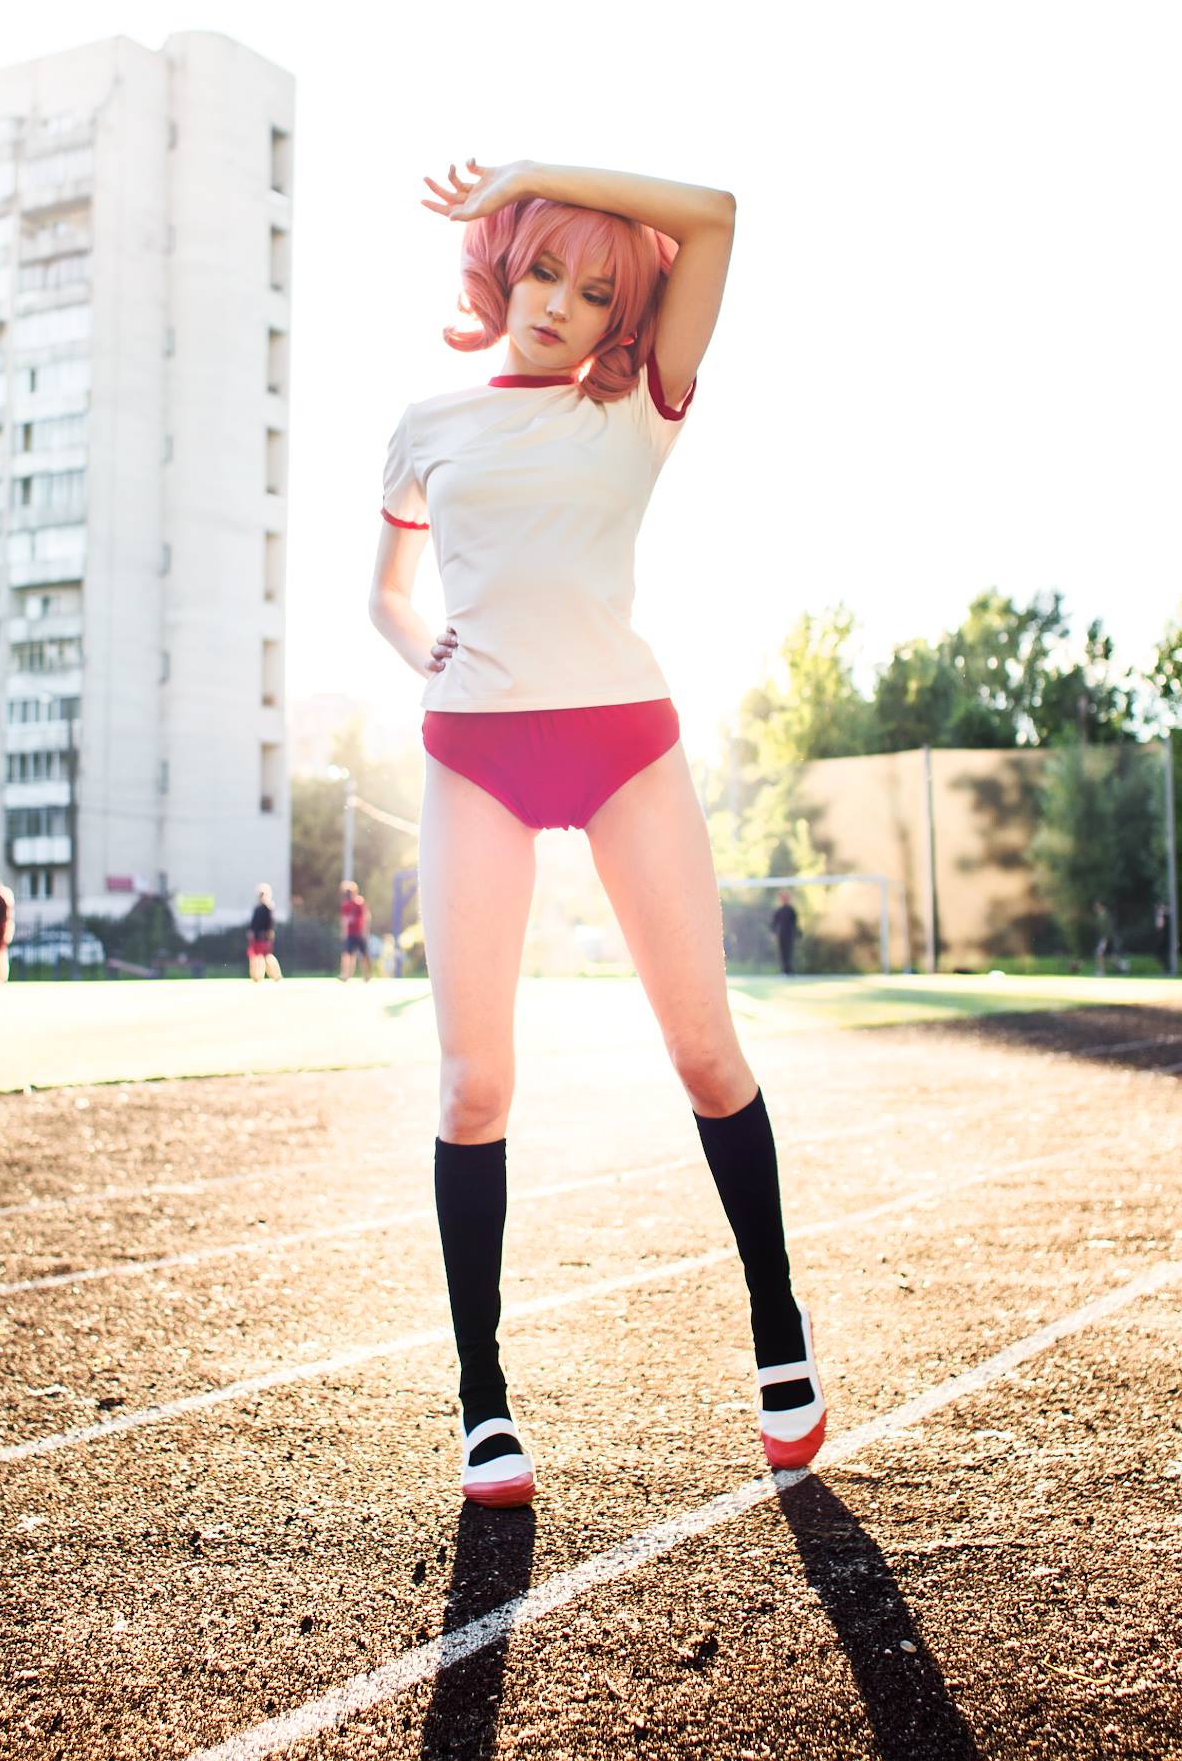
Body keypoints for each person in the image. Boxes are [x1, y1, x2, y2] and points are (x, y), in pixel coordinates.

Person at [369, 158, 826, 1508]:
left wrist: (532, 173)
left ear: (620, 316)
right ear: (502, 268)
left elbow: (717, 217)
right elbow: (386, 592)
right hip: (475, 753)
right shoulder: (428, 422)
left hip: (627, 745)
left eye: (592, 290)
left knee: (705, 1054)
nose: (557, 303)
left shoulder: (636, 406)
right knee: (473, 1086)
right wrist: (416, 646)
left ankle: (778, 1323)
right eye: (541, 267)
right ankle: (483, 1400)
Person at [247, 883, 283, 983]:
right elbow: (253, 923)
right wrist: (251, 932)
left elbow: (270, 923)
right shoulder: (257, 909)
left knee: (267, 957)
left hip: (264, 937)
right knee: (255, 957)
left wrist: (269, 932)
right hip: (256, 937)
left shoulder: (269, 908)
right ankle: (256, 977)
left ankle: (276, 975)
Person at [339, 881, 373, 981]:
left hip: (360, 934)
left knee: (364, 954)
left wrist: (365, 931)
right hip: (350, 934)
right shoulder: (345, 905)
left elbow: (366, 916)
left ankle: (367, 975)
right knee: (347, 954)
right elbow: (344, 920)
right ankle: (345, 974)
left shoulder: (359, 902)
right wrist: (344, 932)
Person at [771, 890, 799, 976]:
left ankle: (789, 971)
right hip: (781, 935)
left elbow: (795, 924)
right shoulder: (779, 910)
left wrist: (798, 935)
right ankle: (784, 971)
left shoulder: (791, 910)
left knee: (789, 953)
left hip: (789, 935)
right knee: (782, 953)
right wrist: (774, 933)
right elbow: (774, 923)